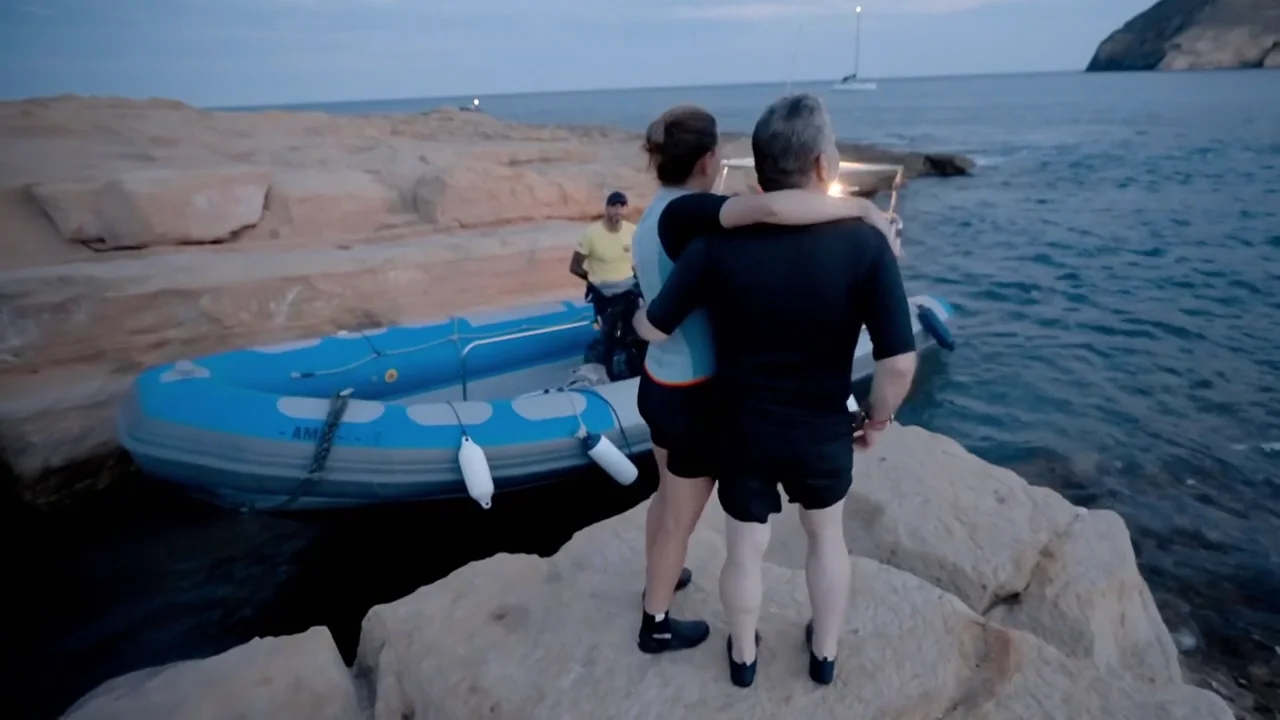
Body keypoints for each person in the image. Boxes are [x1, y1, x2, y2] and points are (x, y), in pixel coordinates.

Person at [633, 94, 919, 687]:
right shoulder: (865, 245)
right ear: (822, 165)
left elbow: (662, 316)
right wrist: (877, 420)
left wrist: (637, 323)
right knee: (826, 539)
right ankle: (825, 654)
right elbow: (896, 364)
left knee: (744, 549)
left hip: (740, 428)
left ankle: (743, 655)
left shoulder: (712, 237)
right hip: (819, 427)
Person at [569, 191, 638, 308]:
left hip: (629, 287)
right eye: (614, 205)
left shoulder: (633, 231)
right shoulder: (590, 234)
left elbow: (637, 261)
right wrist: (593, 280)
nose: (618, 209)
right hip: (603, 288)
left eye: (622, 206)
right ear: (606, 208)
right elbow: (575, 267)